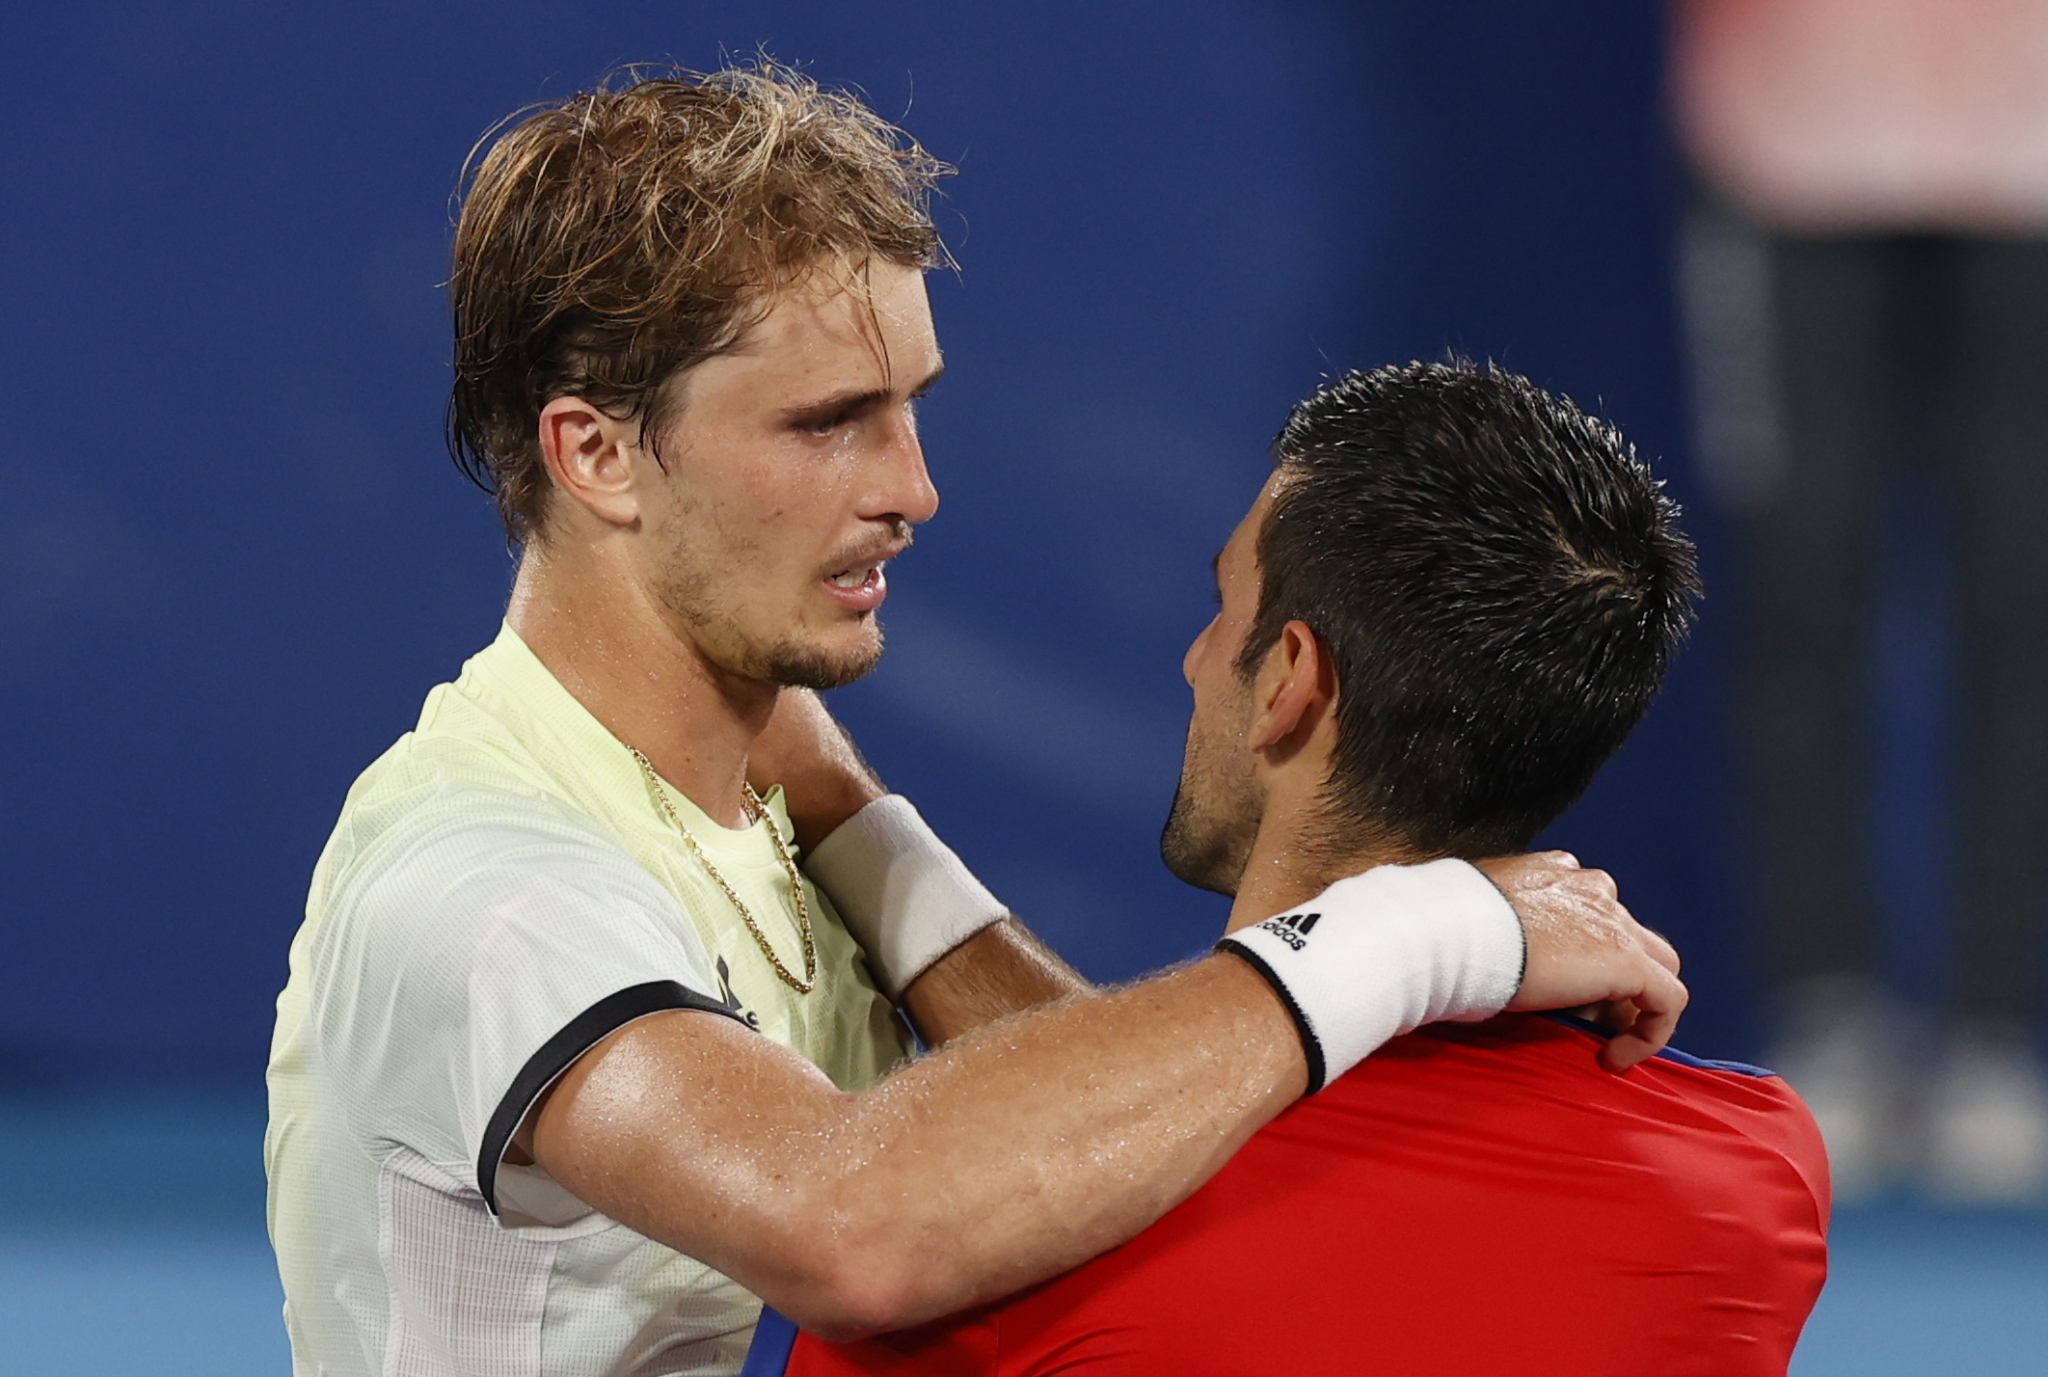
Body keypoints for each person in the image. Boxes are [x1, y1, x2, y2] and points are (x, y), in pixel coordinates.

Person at [263, 67, 1688, 1377]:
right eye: (829, 422)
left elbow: (1092, 1164)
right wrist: (1428, 930)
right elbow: (851, 1223)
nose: (913, 487)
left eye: (911, 408)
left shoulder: (763, 817)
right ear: (596, 452)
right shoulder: (489, 881)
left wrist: (864, 839)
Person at [777, 362, 1829, 1377]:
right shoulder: (1755, 1174)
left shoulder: (991, 1252)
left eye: (1221, 605)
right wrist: (840, 810)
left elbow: (1026, 1164)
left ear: (1289, 679)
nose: (1195, 657)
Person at [1672, 0, 2048, 1202]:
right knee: (1798, 598)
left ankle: (1993, 1031)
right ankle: (1826, 1011)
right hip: (1784, 147)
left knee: (2021, 603)